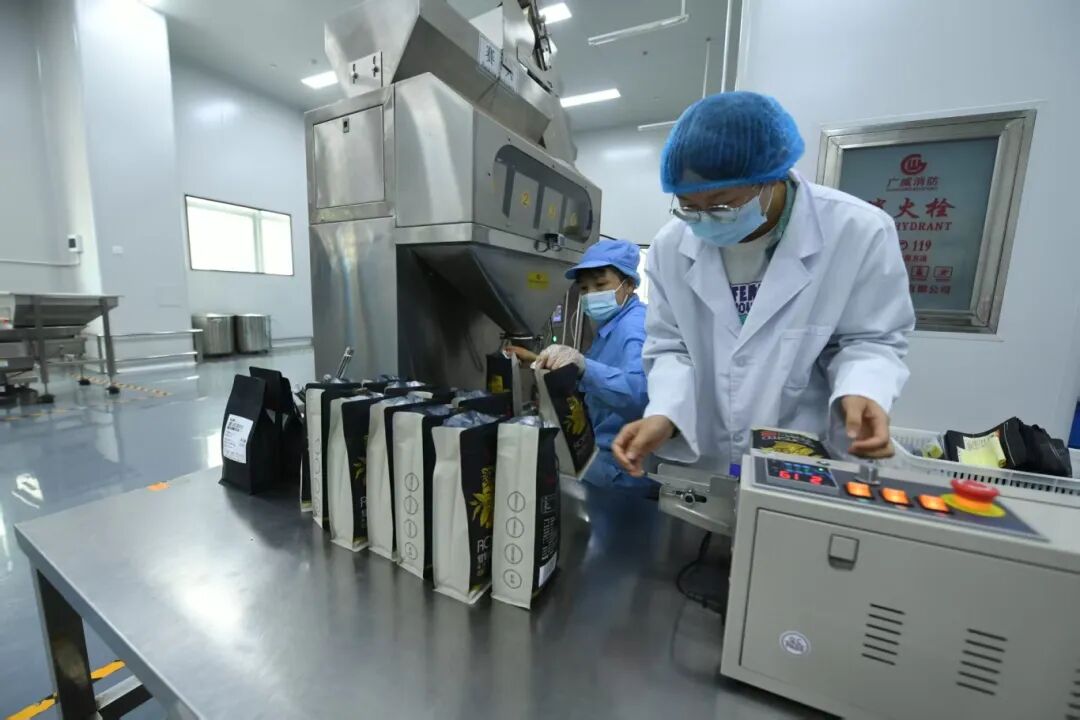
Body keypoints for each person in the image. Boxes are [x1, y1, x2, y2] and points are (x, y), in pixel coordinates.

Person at [613, 91, 915, 477]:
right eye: (688, 206)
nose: (705, 218)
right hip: (707, 463)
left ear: (771, 179)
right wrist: (665, 413)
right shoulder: (671, 246)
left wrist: (864, 387)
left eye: (722, 204)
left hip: (807, 459)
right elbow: (671, 347)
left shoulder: (857, 230)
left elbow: (870, 339)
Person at [509, 239, 650, 491]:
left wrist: (582, 364)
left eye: (600, 285)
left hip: (623, 468)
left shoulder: (634, 327)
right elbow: (600, 376)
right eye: (584, 288)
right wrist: (536, 359)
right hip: (605, 459)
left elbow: (639, 394)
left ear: (629, 284)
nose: (591, 294)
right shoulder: (612, 324)